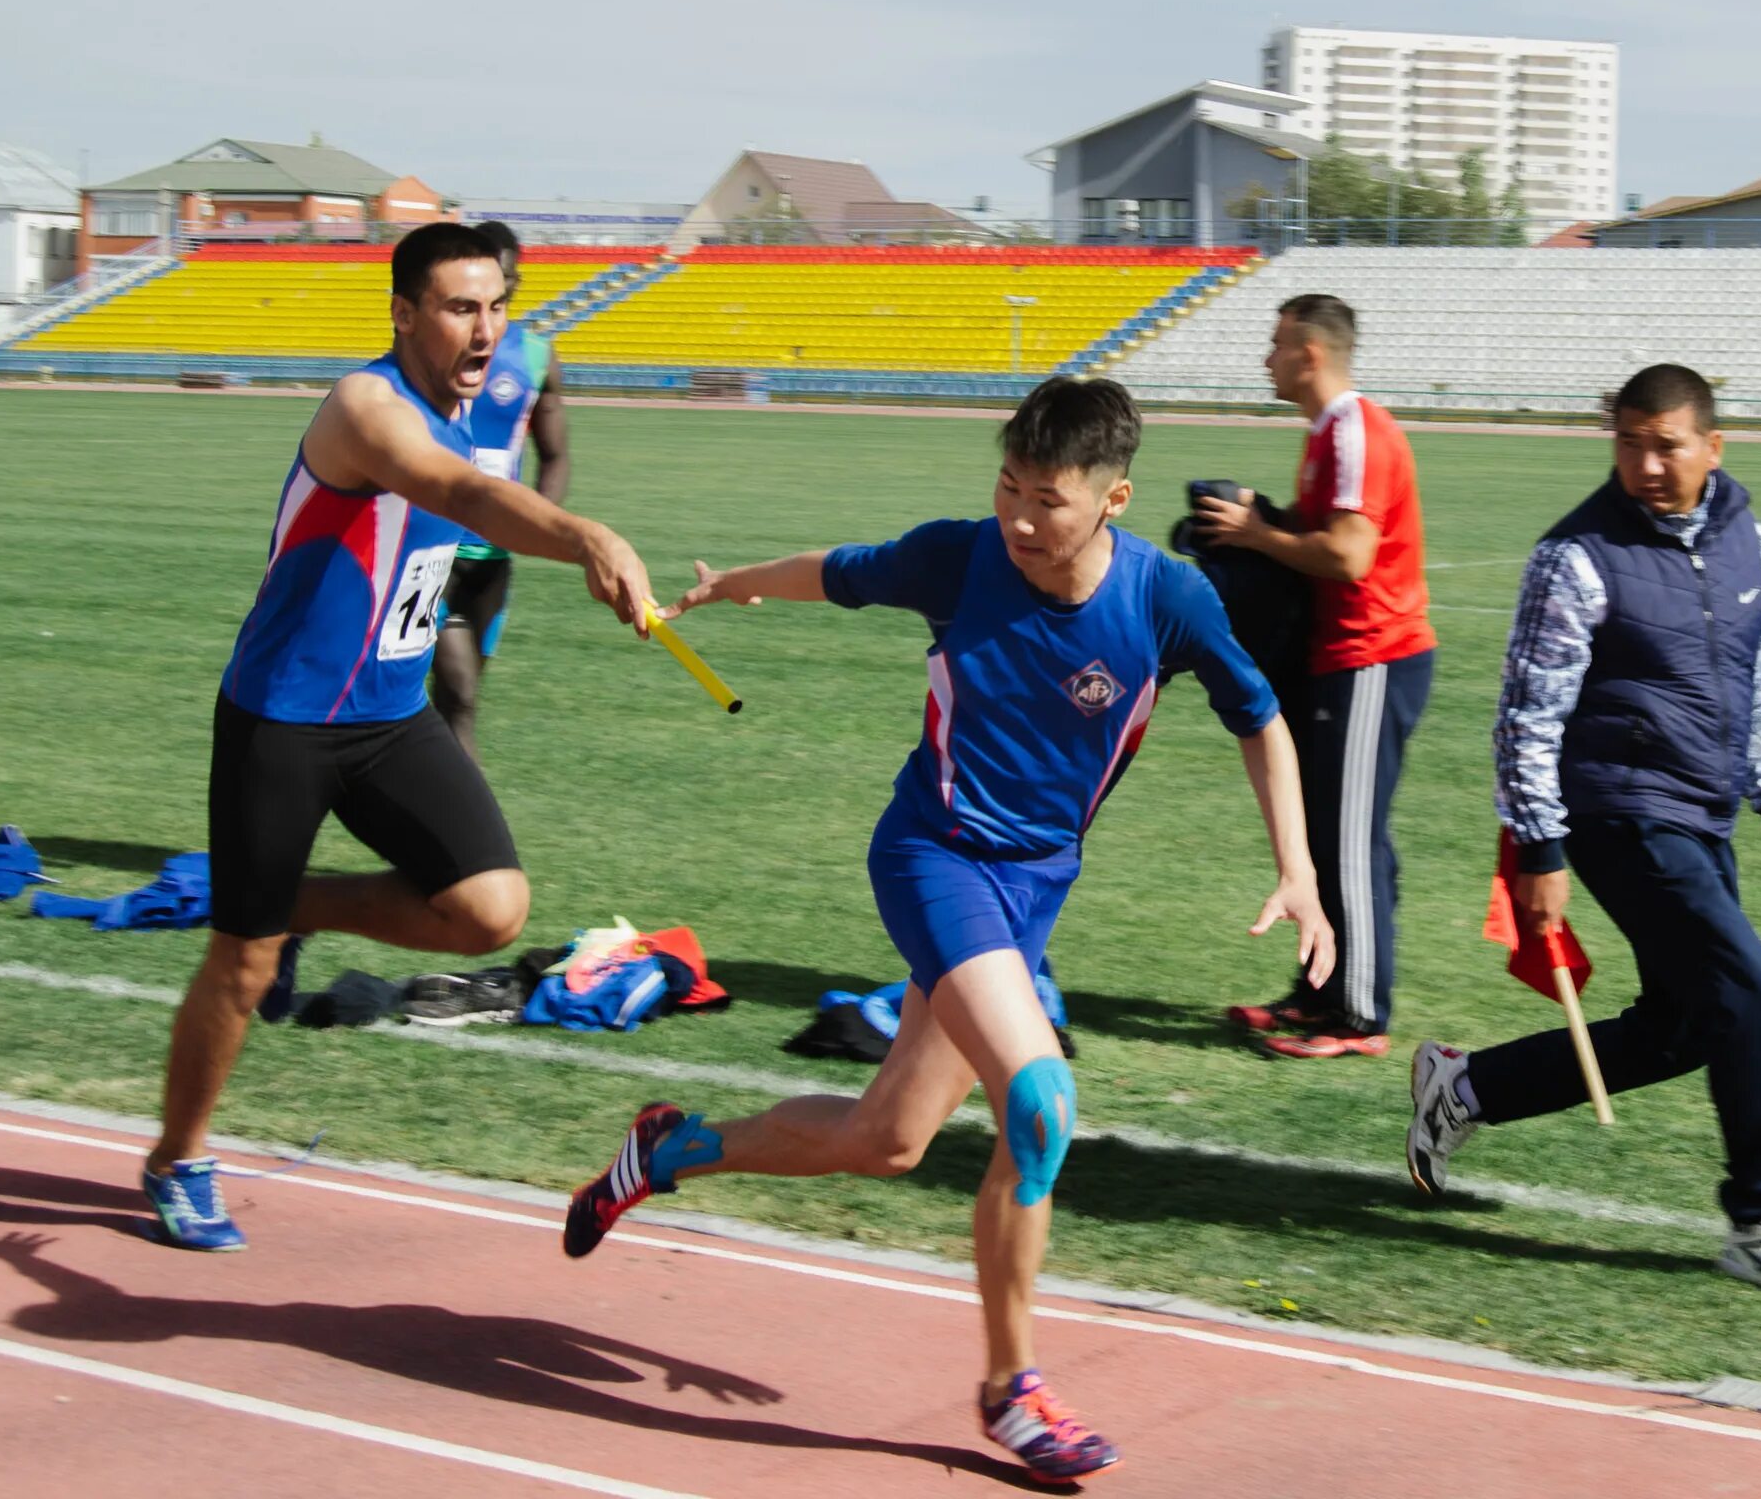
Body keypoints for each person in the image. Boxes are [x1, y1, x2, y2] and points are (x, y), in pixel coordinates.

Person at [559, 375, 1331, 1486]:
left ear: (1113, 498)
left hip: (1032, 891)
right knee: (1041, 1098)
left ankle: (670, 1147)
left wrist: (1298, 868)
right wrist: (724, 587)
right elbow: (835, 570)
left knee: (887, 1139)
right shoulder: (961, 556)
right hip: (933, 857)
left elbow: (1260, 717)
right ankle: (1012, 1389)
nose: (1021, 518)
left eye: (1049, 501)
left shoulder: (1170, 597)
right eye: (1008, 485)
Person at [139, 221, 657, 1255]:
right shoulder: (367, 406)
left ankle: (288, 907)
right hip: (284, 718)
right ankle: (177, 1156)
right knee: (237, 966)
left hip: (387, 716)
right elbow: (457, 491)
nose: (486, 327)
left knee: (490, 908)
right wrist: (585, 534)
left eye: (497, 305)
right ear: (405, 313)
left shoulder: (466, 409)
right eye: (462, 307)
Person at [1404, 363, 1761, 1297]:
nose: (1646, 465)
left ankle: (1467, 1088)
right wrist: (1538, 849)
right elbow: (1525, 714)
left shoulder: (1748, 543)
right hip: (1616, 812)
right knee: (1750, 994)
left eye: (1667, 445)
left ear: (1712, 447)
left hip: (1705, 811)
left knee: (1685, 1026)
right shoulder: (1575, 556)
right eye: (1628, 443)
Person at [1196, 293, 1435, 1058]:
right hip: (1340, 658)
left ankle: (1357, 1017)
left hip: (1374, 656)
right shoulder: (1328, 434)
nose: (1265, 358)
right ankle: (1318, 995)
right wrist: (1259, 519)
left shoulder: (1355, 429)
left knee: (1348, 839)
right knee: (1330, 835)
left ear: (1309, 353)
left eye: (1274, 345)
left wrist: (1255, 532)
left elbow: (1350, 555)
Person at [431, 220, 569, 759]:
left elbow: (555, 456)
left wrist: (537, 521)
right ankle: (458, 838)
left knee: (458, 702)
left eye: (505, 282)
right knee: (457, 695)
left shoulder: (538, 358)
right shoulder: (433, 348)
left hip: (493, 560)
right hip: (431, 551)